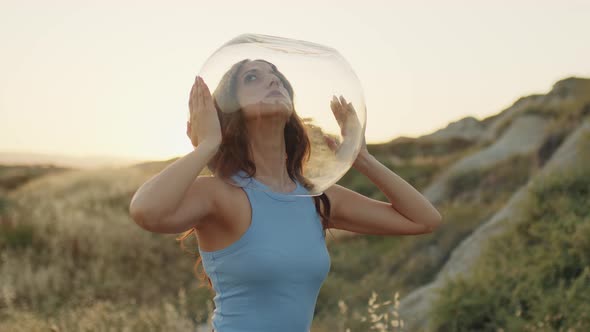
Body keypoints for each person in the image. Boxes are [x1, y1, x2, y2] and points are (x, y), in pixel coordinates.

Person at [129, 59, 443, 332]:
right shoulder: (219, 193)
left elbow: (424, 220)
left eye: (276, 75)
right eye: (252, 77)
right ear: (229, 108)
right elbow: (146, 211)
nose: (273, 79)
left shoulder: (316, 197)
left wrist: (361, 159)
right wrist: (208, 144)